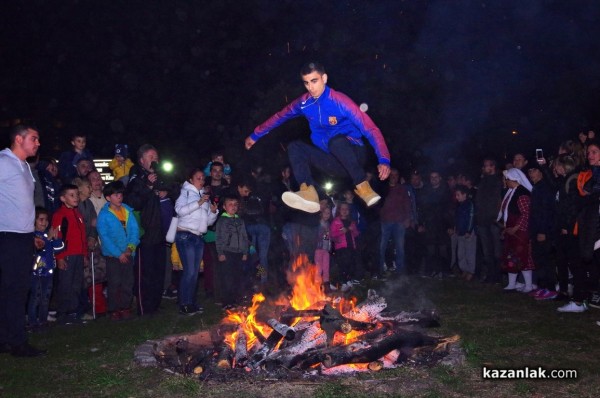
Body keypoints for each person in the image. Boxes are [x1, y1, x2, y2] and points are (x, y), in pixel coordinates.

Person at [245, 61, 391, 213]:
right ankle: (308, 192)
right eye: (306, 83)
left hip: (354, 153)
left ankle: (362, 185)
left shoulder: (340, 101)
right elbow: (280, 116)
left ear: (324, 78)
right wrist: (256, 134)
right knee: (295, 147)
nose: (311, 87)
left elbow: (371, 128)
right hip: (334, 161)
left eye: (314, 81)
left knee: (336, 141)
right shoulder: (303, 103)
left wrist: (384, 159)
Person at [0, 124, 47, 357]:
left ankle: (8, 339)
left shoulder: (24, 166)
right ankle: (17, 342)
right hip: (7, 237)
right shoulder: (4, 162)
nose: (38, 143)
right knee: (14, 290)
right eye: (34, 138)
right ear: (18, 139)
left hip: (23, 237)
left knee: (15, 290)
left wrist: (32, 236)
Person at [124, 144, 166, 316]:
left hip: (160, 231)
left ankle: (155, 305)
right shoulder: (136, 178)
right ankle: (144, 307)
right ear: (141, 160)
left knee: (158, 271)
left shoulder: (159, 176)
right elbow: (133, 203)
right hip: (145, 232)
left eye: (156, 156)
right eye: (151, 156)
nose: (155, 159)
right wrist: (148, 187)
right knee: (145, 272)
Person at [174, 168, 218, 315]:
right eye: (198, 178)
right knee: (189, 271)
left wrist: (213, 212)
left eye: (203, 179)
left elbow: (208, 223)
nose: (201, 181)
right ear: (191, 180)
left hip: (198, 237)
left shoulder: (204, 197)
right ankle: (184, 304)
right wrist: (199, 203)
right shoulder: (185, 192)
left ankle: (191, 302)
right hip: (185, 235)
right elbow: (179, 210)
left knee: (195, 273)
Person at [97, 181, 140, 321]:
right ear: (108, 198)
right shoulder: (104, 215)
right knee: (114, 282)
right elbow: (105, 237)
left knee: (128, 281)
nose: (120, 197)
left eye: (121, 194)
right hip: (113, 256)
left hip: (128, 253)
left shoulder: (128, 211)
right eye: (116, 194)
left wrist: (130, 248)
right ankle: (114, 309)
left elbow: (134, 231)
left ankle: (125, 307)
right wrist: (118, 253)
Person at [52, 184, 89, 324]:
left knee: (76, 285)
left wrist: (84, 254)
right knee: (65, 285)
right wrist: (60, 257)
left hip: (78, 254)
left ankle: (73, 313)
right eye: (71, 195)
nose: (76, 198)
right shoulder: (59, 215)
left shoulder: (78, 214)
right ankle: (62, 314)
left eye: (77, 195)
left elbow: (83, 236)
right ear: (63, 198)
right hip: (67, 255)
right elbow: (57, 237)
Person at [498, 168, 535, 293]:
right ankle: (512, 283)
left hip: (520, 231)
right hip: (511, 230)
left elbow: (526, 213)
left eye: (506, 179)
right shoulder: (511, 192)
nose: (505, 182)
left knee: (523, 255)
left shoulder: (522, 194)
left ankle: (529, 285)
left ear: (512, 179)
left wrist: (516, 228)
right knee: (511, 256)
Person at [28, 207, 64, 331]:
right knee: (36, 297)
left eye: (46, 220)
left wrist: (56, 238)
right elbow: (39, 249)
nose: (44, 222)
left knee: (46, 297)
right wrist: (48, 239)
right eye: (41, 219)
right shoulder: (33, 236)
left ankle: (43, 321)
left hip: (48, 272)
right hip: (36, 272)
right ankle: (32, 321)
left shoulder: (46, 235)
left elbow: (59, 249)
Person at [526, 163, 558, 299]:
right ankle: (542, 286)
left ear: (540, 172)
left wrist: (543, 231)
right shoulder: (537, 187)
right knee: (539, 259)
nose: (530, 174)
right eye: (529, 171)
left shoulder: (544, 188)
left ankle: (550, 288)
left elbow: (545, 211)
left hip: (543, 230)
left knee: (546, 259)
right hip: (536, 229)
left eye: (533, 170)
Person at [215, 196, 249, 308]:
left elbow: (244, 237)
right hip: (227, 252)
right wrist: (220, 253)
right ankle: (226, 301)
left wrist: (245, 252)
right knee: (227, 277)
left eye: (235, 204)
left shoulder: (240, 220)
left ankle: (235, 299)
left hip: (239, 253)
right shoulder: (222, 220)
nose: (233, 206)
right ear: (224, 207)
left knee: (237, 277)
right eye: (230, 204)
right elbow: (218, 237)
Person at [378, 168, 413, 276]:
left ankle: (400, 270)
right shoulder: (383, 188)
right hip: (385, 221)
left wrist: (408, 218)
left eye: (396, 175)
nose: (393, 176)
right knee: (381, 246)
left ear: (398, 176)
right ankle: (379, 269)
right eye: (391, 175)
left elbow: (407, 204)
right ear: (388, 176)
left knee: (400, 247)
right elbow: (377, 203)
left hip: (399, 222)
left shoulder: (402, 189)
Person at [475, 157, 503, 283]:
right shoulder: (482, 181)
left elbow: (497, 200)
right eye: (484, 165)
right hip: (482, 220)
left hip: (493, 220)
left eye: (487, 165)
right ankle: (490, 275)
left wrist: (496, 217)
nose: (484, 168)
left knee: (496, 250)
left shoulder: (498, 181)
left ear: (492, 167)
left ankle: (497, 275)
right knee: (487, 250)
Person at [330, 201, 363, 289]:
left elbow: (356, 233)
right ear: (339, 210)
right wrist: (341, 232)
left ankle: (348, 279)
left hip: (351, 245)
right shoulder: (336, 221)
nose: (344, 211)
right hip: (341, 246)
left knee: (350, 263)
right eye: (342, 209)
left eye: (346, 209)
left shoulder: (351, 221)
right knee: (343, 263)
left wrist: (353, 230)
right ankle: (343, 281)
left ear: (349, 211)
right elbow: (332, 234)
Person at [452, 185, 477, 281]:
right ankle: (464, 269)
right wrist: (456, 228)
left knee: (469, 252)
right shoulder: (459, 205)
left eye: (458, 195)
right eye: (456, 195)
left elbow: (471, 218)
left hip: (468, 233)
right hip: (460, 232)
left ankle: (471, 271)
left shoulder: (469, 204)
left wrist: (469, 230)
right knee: (461, 253)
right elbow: (457, 218)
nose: (456, 197)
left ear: (464, 195)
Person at [315, 206, 333, 292]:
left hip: (326, 249)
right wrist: (324, 231)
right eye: (325, 213)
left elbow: (327, 237)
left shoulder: (328, 224)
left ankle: (326, 284)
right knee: (318, 268)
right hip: (318, 248)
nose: (327, 215)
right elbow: (316, 236)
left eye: (328, 213)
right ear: (321, 213)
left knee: (326, 267)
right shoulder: (317, 224)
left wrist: (328, 234)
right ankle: (317, 285)